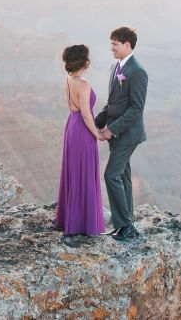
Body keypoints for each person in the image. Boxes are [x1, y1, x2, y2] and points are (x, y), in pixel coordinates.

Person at [96, 26, 148, 241]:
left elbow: (136, 108)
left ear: (127, 45)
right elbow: (112, 104)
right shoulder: (114, 67)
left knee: (111, 175)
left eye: (115, 45)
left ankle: (124, 225)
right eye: (111, 45)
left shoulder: (137, 71)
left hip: (128, 134)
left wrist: (111, 129)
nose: (112, 49)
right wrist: (94, 122)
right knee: (124, 177)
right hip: (116, 133)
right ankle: (127, 224)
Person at [54, 44, 106, 242]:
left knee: (74, 172)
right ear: (85, 62)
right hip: (82, 130)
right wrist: (97, 134)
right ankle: (83, 223)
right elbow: (86, 113)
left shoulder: (69, 79)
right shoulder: (83, 83)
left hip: (71, 126)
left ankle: (72, 218)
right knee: (83, 172)